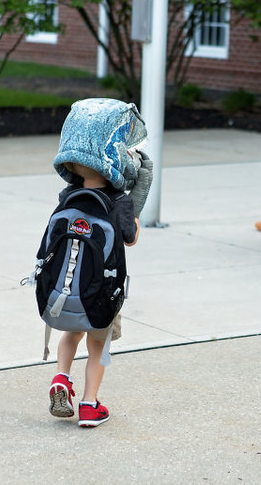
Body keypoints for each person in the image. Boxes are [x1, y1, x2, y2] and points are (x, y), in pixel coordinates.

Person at [46, 98, 153, 428]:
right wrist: (137, 200)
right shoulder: (118, 202)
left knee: (71, 335)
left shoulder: (68, 197)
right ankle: (90, 405)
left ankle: (61, 378)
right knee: (98, 347)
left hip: (66, 288)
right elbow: (130, 238)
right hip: (101, 293)